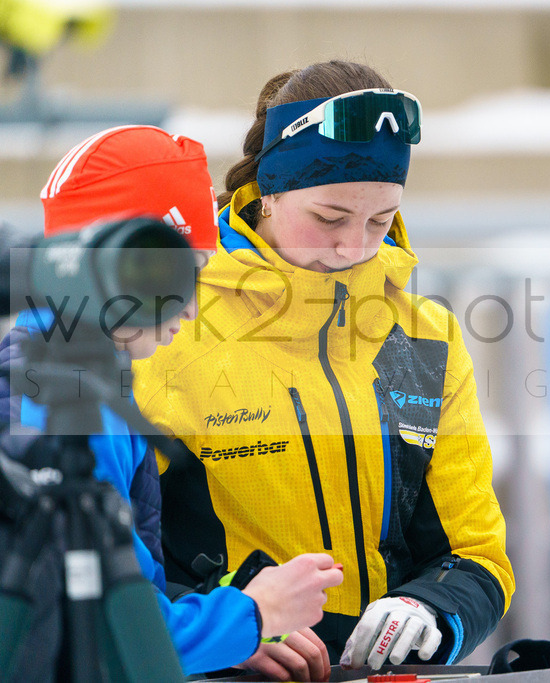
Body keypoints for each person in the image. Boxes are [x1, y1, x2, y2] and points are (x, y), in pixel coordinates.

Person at [131, 60, 516, 672]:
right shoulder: (169, 329)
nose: (353, 247)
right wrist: (234, 628)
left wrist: (429, 612)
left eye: (380, 221)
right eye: (329, 218)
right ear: (269, 192)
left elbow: (476, 554)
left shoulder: (423, 337)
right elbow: (114, 566)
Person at [0, 125, 344, 679]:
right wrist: (256, 613)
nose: (190, 310)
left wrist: (227, 633)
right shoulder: (71, 405)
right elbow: (109, 642)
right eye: (187, 277)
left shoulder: (49, 373)